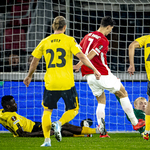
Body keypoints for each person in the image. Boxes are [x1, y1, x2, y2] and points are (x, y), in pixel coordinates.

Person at [23, 16, 103, 147]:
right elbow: (81, 56)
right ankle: (59, 123)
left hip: (51, 83)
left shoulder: (45, 41)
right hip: (66, 82)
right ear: (65, 27)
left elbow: (34, 61)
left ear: (53, 27)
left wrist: (29, 76)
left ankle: (47, 140)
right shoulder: (70, 40)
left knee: (47, 111)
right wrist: (94, 69)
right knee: (74, 109)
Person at [73, 16, 145, 138]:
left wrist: (79, 64)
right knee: (123, 93)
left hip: (89, 76)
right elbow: (91, 54)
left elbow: (79, 50)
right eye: (110, 29)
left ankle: (102, 131)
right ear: (108, 27)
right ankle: (135, 122)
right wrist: (79, 65)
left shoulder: (88, 36)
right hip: (101, 73)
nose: (110, 32)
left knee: (101, 101)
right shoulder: (103, 40)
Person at [0, 95, 103, 138]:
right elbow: (22, 134)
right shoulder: (13, 118)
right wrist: (42, 133)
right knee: (63, 126)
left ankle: (84, 135)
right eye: (13, 103)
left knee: (61, 131)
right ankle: (96, 131)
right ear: (8, 106)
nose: (16, 104)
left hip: (35, 125)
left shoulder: (0, 113)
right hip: (35, 129)